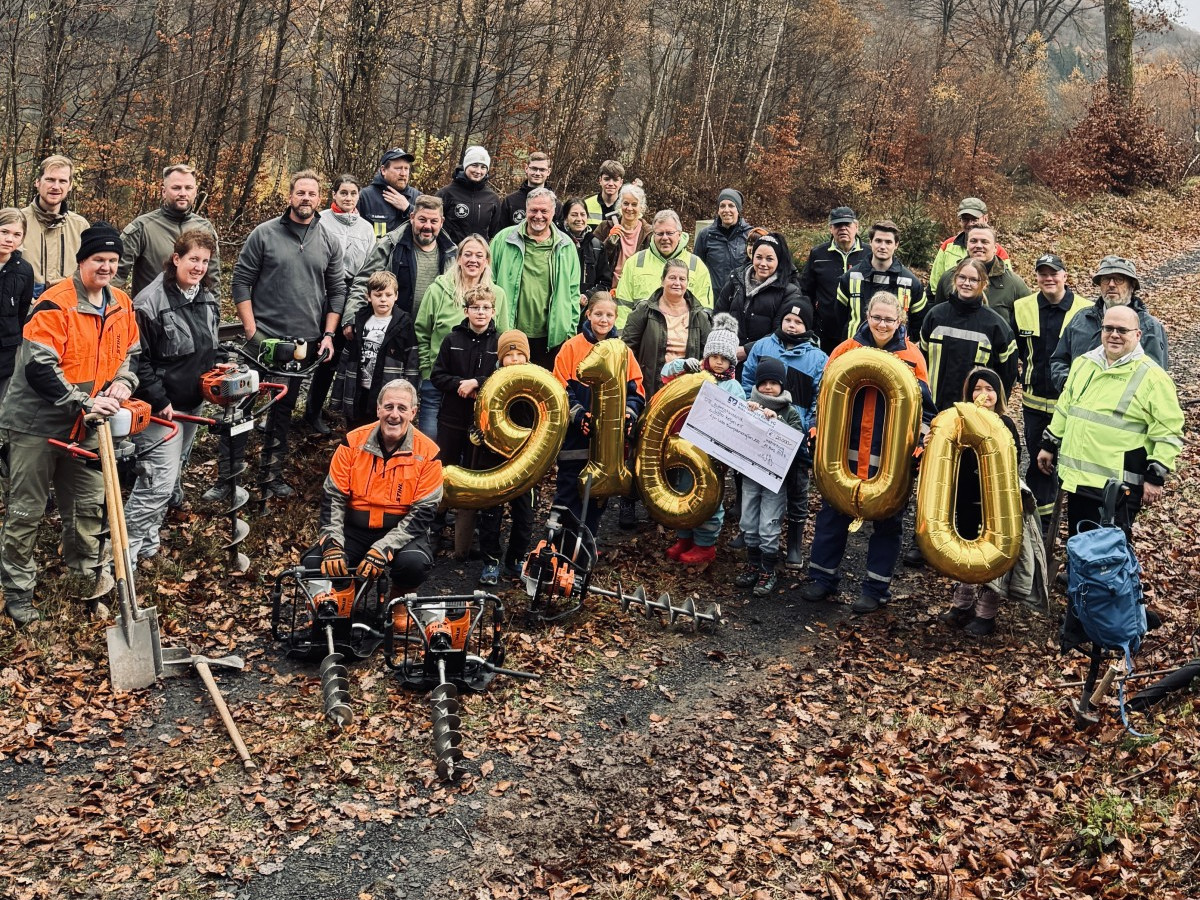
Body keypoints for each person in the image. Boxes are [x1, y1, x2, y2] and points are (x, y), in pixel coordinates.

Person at [0, 223, 139, 625]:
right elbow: (40, 367)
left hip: (89, 421)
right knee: (26, 511)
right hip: (37, 422)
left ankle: (85, 580)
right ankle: (19, 594)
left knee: (88, 506)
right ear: (82, 261)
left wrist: (122, 386)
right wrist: (83, 401)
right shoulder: (55, 303)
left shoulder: (121, 304)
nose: (107, 267)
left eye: (113, 261)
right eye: (99, 260)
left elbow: (132, 353)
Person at [800, 292, 935, 613]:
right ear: (867, 316)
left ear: (900, 320)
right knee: (832, 516)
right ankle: (822, 578)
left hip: (888, 459)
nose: (882, 324)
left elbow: (926, 412)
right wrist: (816, 430)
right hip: (843, 452)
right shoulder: (846, 350)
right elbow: (824, 397)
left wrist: (920, 443)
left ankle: (876, 588)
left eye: (889, 319)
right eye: (877, 317)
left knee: (888, 525)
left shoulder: (913, 357)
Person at [227, 170, 345, 498]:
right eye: (300, 192)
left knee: (282, 411)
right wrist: (251, 330)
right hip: (261, 340)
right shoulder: (264, 234)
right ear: (290, 196)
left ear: (320, 199)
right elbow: (240, 282)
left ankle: (272, 475)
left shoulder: (329, 241)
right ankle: (229, 475)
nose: (305, 198)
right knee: (241, 407)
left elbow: (336, 292)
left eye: (311, 193)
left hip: (301, 346)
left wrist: (328, 335)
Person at [1037, 304, 1183, 544]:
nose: (1114, 334)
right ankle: (1080, 580)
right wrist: (1049, 443)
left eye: (1122, 330)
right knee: (1080, 543)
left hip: (1116, 487)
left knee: (1108, 555)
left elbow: (1169, 429)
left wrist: (1156, 474)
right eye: (1109, 328)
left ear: (1137, 335)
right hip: (1078, 480)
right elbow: (1066, 406)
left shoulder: (1153, 377)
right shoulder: (1085, 363)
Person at [124, 229, 220, 561]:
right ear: (176, 258)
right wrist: (159, 400)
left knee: (173, 470)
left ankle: (149, 543)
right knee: (157, 481)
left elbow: (208, 349)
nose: (199, 267)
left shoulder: (205, 296)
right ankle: (127, 552)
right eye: (193, 259)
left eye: (205, 261)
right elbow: (137, 360)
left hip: (190, 403)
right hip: (160, 409)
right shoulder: (150, 302)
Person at [309, 379, 440, 602]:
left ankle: (399, 599)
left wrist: (383, 548)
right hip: (355, 528)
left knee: (414, 564)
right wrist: (332, 543)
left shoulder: (428, 452)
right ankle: (347, 595)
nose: (394, 415)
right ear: (378, 409)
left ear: (413, 412)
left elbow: (424, 512)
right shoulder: (351, 442)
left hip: (403, 530)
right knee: (314, 564)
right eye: (388, 407)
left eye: (402, 408)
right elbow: (333, 497)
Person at [740, 299, 827, 569]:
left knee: (797, 491)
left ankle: (794, 544)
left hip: (795, 439)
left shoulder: (817, 358)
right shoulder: (765, 346)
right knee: (752, 487)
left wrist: (809, 426)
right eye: (788, 319)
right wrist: (748, 411)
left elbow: (818, 398)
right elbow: (747, 380)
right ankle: (749, 535)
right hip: (757, 437)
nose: (792, 325)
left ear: (807, 326)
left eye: (799, 322)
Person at [937, 367, 1021, 636]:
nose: (983, 394)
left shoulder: (1005, 425)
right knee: (962, 547)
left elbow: (1012, 464)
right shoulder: (957, 423)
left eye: (989, 389)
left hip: (993, 506)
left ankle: (986, 612)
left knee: (990, 556)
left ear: (999, 394)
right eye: (977, 389)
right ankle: (961, 603)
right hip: (964, 499)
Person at [552, 293, 645, 536]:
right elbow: (559, 389)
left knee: (597, 498)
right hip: (575, 440)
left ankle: (586, 546)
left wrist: (628, 415)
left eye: (609, 315)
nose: (604, 320)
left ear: (616, 318)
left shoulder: (623, 351)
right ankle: (559, 545)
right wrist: (579, 416)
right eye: (599, 314)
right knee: (568, 491)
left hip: (608, 449)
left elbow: (637, 392)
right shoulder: (571, 348)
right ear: (588, 314)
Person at [659, 313, 745, 567]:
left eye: (723, 359)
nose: (718, 363)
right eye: (714, 357)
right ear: (707, 356)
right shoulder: (694, 376)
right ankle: (684, 537)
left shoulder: (734, 388)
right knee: (682, 490)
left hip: (711, 454)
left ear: (731, 362)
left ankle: (705, 544)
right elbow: (666, 375)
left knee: (708, 496)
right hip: (684, 447)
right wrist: (683, 365)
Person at [1012, 254, 1091, 528]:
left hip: (1068, 405)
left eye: (1053, 273)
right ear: (1036, 277)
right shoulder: (1022, 307)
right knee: (1038, 463)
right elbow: (1018, 351)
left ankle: (1070, 521)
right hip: (1033, 404)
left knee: (1067, 464)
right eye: (1042, 274)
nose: (1048, 278)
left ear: (1065, 276)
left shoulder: (1084, 310)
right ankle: (1041, 526)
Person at [415, 234, 510, 438]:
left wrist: (485, 381)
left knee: (470, 446)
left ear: (487, 261)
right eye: (467, 254)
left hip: (480, 385)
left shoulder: (498, 295)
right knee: (432, 442)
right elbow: (422, 332)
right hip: (439, 380)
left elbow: (503, 339)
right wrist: (426, 370)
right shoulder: (437, 290)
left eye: (479, 255)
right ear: (458, 258)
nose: (473, 260)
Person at [306, 174, 379, 434]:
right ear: (333, 194)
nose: (348, 198)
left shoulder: (366, 228)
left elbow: (369, 266)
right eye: (343, 193)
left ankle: (313, 411)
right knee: (304, 349)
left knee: (330, 356)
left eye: (353, 193)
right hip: (320, 289)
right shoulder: (320, 220)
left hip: (351, 293)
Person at [734, 357, 805, 597]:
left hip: (776, 479)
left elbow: (798, 440)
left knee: (768, 524)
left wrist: (778, 422)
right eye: (763, 382)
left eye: (773, 383)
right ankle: (753, 563)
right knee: (748, 520)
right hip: (751, 475)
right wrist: (748, 414)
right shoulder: (748, 404)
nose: (767, 387)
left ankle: (768, 568)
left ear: (782, 386)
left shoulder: (789, 410)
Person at [489, 187, 581, 368]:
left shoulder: (566, 245)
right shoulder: (503, 239)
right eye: (533, 210)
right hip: (511, 336)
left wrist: (569, 333)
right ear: (526, 209)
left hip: (551, 339)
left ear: (553, 212)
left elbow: (573, 293)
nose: (538, 216)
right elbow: (488, 283)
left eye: (544, 211)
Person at [1049, 256, 1168, 393]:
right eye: (1106, 279)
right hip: (1078, 407)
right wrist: (1069, 384)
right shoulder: (1081, 320)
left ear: (1132, 285)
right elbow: (1059, 359)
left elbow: (1156, 377)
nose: (1111, 284)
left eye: (1118, 279)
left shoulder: (1149, 327)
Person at [477, 330, 541, 584]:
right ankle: (490, 563)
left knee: (525, 515)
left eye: (519, 354)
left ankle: (515, 560)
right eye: (509, 355)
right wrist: (477, 434)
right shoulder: (489, 382)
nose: (514, 359)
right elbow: (480, 417)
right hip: (493, 460)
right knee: (491, 514)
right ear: (500, 357)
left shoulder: (537, 383)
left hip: (525, 461)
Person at [919, 257, 1017, 412]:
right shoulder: (935, 316)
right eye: (962, 277)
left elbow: (1007, 375)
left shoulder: (996, 325)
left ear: (983, 284)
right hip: (932, 410)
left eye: (973, 280)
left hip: (974, 415)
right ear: (955, 279)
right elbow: (920, 361)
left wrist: (993, 410)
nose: (966, 283)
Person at [330, 270, 419, 429]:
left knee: (381, 431)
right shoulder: (360, 320)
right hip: (359, 389)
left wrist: (410, 396)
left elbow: (411, 363)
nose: (383, 299)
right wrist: (337, 397)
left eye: (388, 294)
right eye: (378, 295)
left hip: (387, 392)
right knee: (356, 430)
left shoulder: (404, 323)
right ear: (368, 297)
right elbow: (345, 360)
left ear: (396, 296)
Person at [118, 163, 221, 298]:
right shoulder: (142, 227)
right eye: (176, 188)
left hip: (193, 316)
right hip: (149, 315)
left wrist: (213, 316)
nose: (183, 193)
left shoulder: (205, 228)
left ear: (195, 191)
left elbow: (213, 282)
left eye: (188, 188)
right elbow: (115, 275)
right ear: (164, 191)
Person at [622, 258, 714, 403]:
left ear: (687, 283)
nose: (677, 283)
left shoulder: (700, 316)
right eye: (672, 278)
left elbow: (709, 356)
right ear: (662, 280)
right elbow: (627, 349)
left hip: (685, 391)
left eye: (682, 279)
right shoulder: (644, 310)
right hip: (648, 388)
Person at [430, 285, 500, 472]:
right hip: (451, 416)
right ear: (466, 311)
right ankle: (443, 501)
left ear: (493, 311)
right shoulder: (452, 339)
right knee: (445, 466)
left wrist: (477, 382)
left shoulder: (499, 342)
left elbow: (503, 377)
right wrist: (461, 385)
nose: (480, 312)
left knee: (475, 469)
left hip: (482, 420)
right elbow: (437, 376)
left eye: (486, 308)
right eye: (475, 307)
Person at [614, 209, 714, 327]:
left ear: (679, 234)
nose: (664, 238)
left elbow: (704, 311)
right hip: (641, 339)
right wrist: (623, 341)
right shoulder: (634, 263)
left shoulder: (696, 265)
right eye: (660, 233)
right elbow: (623, 307)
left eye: (669, 233)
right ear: (653, 235)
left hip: (682, 339)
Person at [718, 232, 805, 366]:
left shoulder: (789, 292)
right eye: (759, 257)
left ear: (778, 261)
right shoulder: (735, 281)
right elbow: (719, 314)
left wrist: (747, 350)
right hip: (727, 358)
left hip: (765, 362)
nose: (763, 263)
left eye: (769, 259)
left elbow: (781, 332)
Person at [835, 220, 927, 341]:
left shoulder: (911, 283)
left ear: (896, 245)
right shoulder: (849, 278)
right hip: (856, 351)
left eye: (888, 242)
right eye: (878, 241)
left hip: (895, 353)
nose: (882, 246)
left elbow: (918, 323)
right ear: (870, 242)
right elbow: (839, 318)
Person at [931, 223, 1028, 330]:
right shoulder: (949, 278)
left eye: (984, 242)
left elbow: (1027, 325)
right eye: (973, 241)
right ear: (967, 245)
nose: (978, 245)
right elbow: (937, 318)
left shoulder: (1014, 284)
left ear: (995, 248)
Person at [798, 207, 867, 353]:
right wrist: (812, 321)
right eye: (837, 225)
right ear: (831, 228)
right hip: (826, 331)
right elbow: (806, 290)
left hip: (862, 331)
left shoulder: (869, 254)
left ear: (856, 227)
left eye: (847, 225)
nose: (842, 229)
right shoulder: (818, 254)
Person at [21, 154, 89, 298]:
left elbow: (88, 272)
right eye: (50, 179)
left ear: (70, 185)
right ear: (37, 182)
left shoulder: (80, 226)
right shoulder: (18, 223)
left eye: (62, 181)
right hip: (25, 312)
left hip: (68, 310)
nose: (55, 186)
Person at [928, 197, 1012, 290]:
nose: (970, 224)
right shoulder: (948, 246)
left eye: (974, 219)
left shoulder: (999, 252)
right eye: (965, 219)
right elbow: (934, 287)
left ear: (985, 219)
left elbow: (1008, 286)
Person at [0, 208, 35, 405]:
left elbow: (23, 310)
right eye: (4, 232)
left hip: (6, 351)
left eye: (16, 234)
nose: (9, 239)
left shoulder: (24, 270)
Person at [437, 146, 503, 244]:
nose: (478, 171)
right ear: (466, 166)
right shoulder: (446, 193)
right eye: (474, 165)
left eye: (483, 167)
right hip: (450, 254)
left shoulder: (492, 198)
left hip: (478, 256)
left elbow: (495, 233)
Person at [694, 188, 753, 294]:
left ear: (738, 209)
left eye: (731, 205)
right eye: (722, 206)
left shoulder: (750, 235)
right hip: (713, 299)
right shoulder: (705, 235)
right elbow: (696, 269)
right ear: (718, 210)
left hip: (741, 299)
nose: (726, 210)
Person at [357, 148, 420, 238]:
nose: (403, 173)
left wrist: (408, 209)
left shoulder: (418, 198)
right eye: (398, 168)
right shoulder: (365, 197)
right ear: (383, 170)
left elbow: (430, 229)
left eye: (406, 169)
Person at [561, 198, 612, 308]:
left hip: (586, 311)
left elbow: (605, 283)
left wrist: (588, 296)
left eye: (583, 214)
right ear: (565, 218)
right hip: (561, 306)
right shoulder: (557, 243)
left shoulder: (597, 246)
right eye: (574, 215)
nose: (579, 219)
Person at [499, 152, 560, 226]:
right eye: (534, 169)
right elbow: (501, 233)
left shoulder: (555, 204)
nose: (537, 173)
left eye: (542, 170)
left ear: (548, 172)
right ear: (526, 169)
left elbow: (560, 235)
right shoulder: (510, 201)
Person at [584, 159, 624, 227]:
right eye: (606, 179)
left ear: (621, 182)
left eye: (615, 180)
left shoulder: (628, 207)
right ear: (600, 180)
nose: (611, 183)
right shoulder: (585, 204)